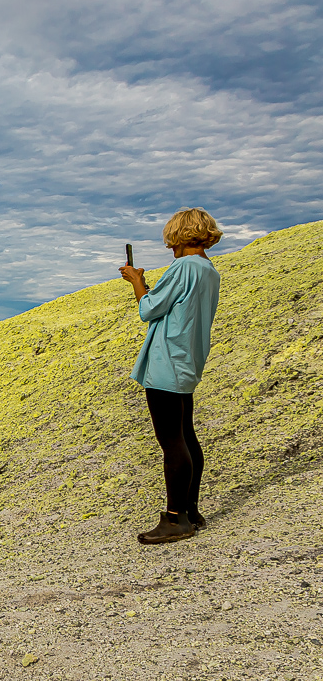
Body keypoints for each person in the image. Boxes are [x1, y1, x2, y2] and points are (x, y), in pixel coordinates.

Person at [119, 208, 222, 545]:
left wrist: (137, 282)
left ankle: (176, 518)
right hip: (188, 358)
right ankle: (191, 510)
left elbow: (149, 310)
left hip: (166, 361)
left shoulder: (183, 267)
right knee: (186, 435)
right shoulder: (208, 269)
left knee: (171, 441)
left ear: (178, 234)